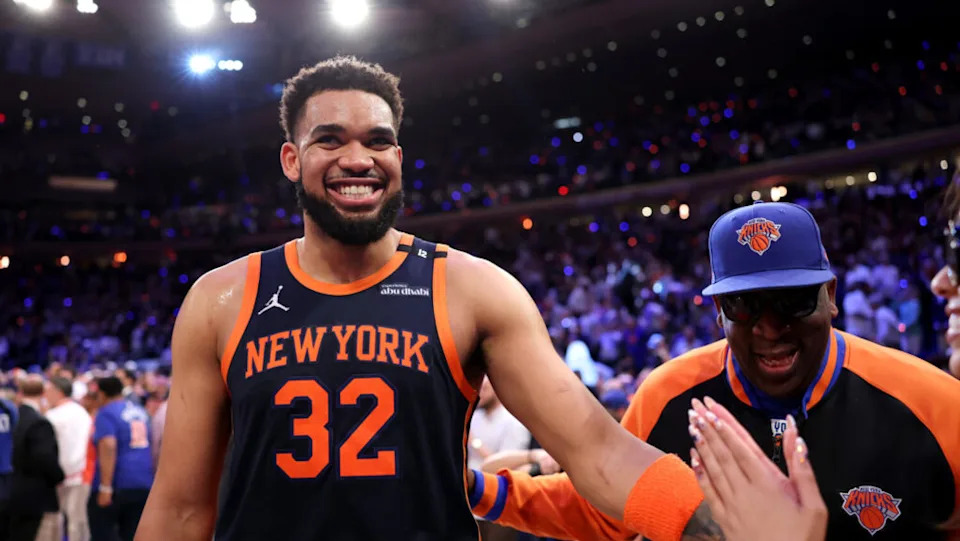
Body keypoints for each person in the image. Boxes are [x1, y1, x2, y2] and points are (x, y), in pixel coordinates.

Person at [134, 56, 719, 541]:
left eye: (378, 142)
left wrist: (716, 526)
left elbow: (598, 450)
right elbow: (180, 508)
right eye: (329, 140)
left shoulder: (474, 289)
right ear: (292, 160)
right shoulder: (220, 298)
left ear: (398, 157)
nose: (357, 159)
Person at [467, 201, 960, 540]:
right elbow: (605, 508)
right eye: (745, 305)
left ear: (830, 296)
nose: (770, 328)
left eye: (791, 300)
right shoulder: (668, 396)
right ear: (718, 312)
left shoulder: (933, 406)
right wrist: (480, 489)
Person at [90, 376, 154, 541]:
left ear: (102, 394)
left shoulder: (106, 412)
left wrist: (105, 487)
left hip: (118, 482)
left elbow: (108, 445)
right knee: (133, 534)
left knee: (103, 533)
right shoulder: (140, 411)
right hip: (143, 481)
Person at [8, 375, 64, 541]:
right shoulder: (39, 422)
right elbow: (44, 457)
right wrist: (59, 476)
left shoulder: (11, 417)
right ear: (43, 393)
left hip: (8, 491)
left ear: (20, 392)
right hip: (31, 496)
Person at [42, 375, 93, 541]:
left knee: (53, 522)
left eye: (48, 390)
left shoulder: (52, 416)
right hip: (81, 473)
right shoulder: (82, 412)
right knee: (77, 523)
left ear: (58, 392)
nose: (45, 394)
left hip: (58, 475)